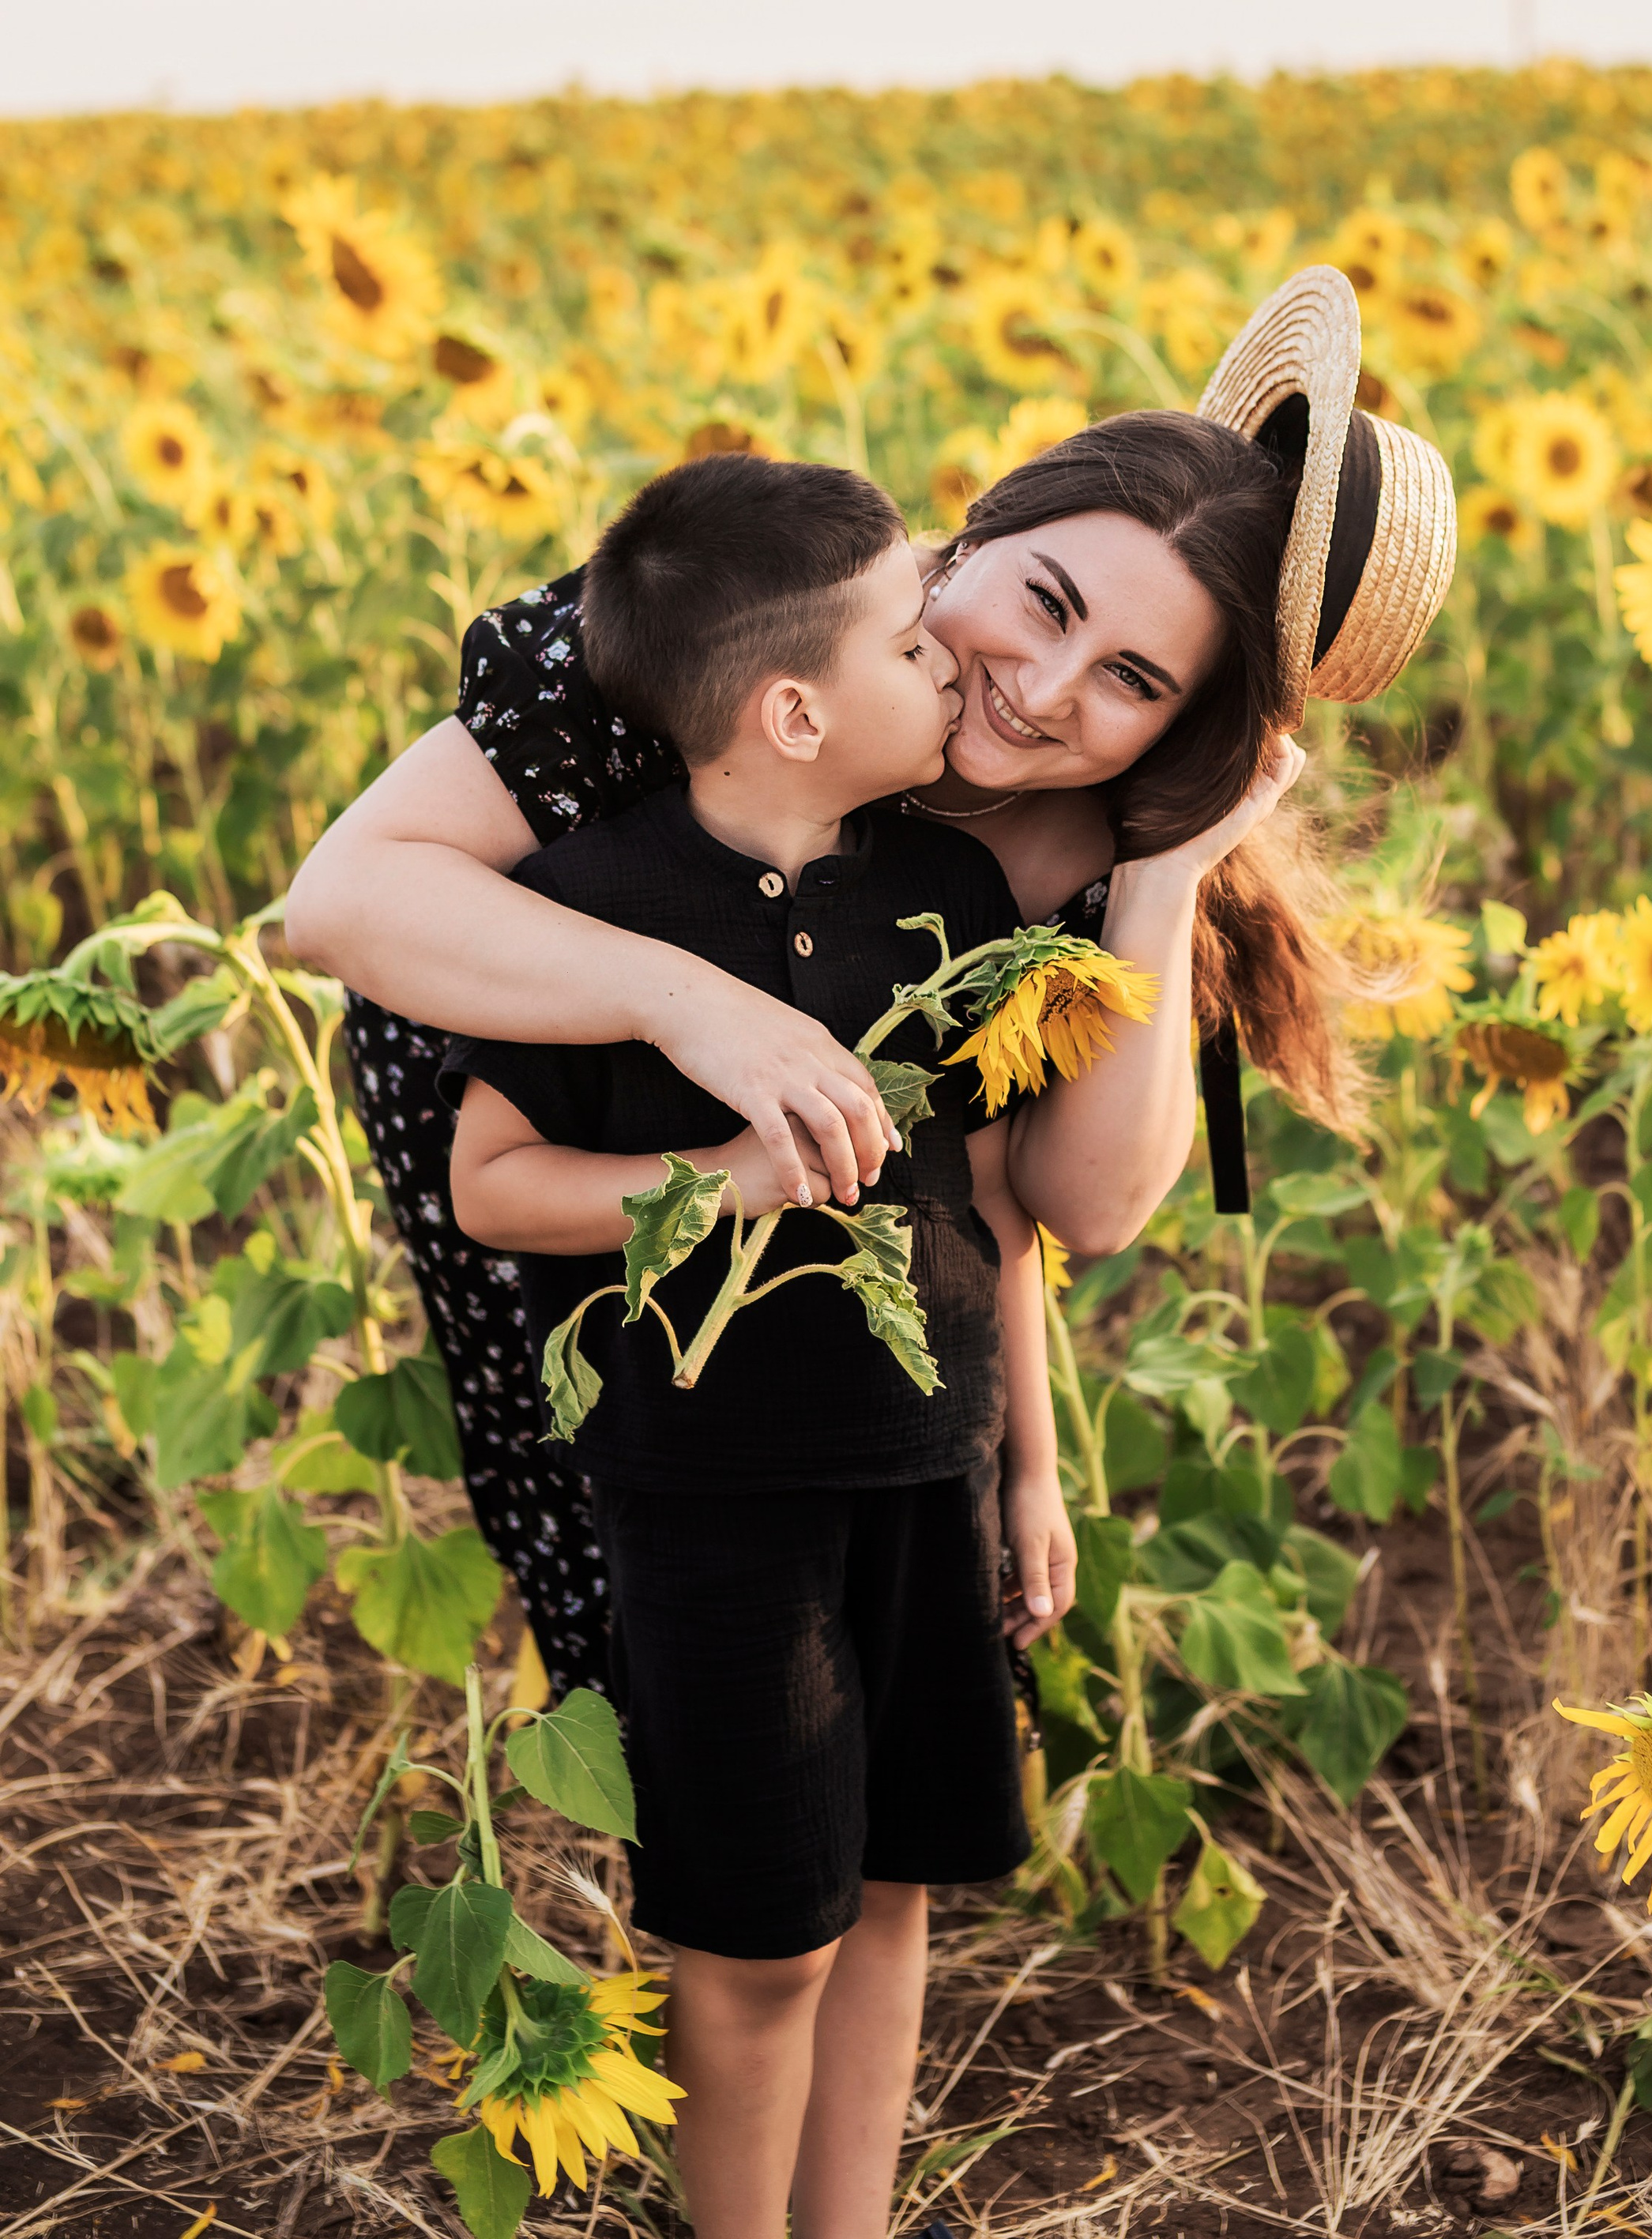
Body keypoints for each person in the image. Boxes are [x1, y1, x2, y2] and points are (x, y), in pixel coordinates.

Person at [285, 265, 1457, 1690]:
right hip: (543, 1134)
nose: (1042, 685)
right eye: (1047, 600)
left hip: (853, 1306)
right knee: (636, 1598)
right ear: (974, 539)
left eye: (1132, 682)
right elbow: (345, 901)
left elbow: (1064, 1197)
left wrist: (1162, 882)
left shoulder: (1087, 864)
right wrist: (698, 1005)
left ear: (1180, 728)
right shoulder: (750, 629)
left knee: (877, 1702)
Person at [445, 447, 1076, 2239]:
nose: (953, 660)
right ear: (795, 710)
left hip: (926, 1468)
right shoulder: (586, 903)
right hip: (713, 1499)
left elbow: (990, 1210)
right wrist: (715, 1178)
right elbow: (494, 1185)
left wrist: (1029, 1467)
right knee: (752, 1938)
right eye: (911, 644)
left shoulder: (941, 901)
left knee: (891, 1890)